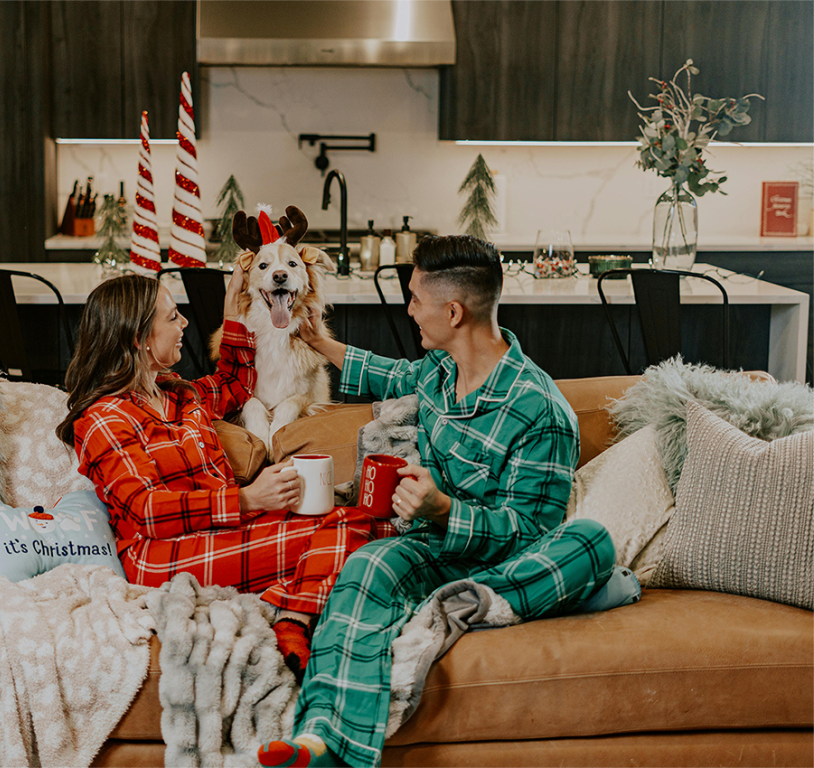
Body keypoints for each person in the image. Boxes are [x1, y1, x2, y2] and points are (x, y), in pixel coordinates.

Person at [258, 235, 616, 768]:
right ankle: (325, 740)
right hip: (432, 547)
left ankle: (458, 603)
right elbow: (391, 373)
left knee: (591, 542)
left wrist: (445, 509)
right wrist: (317, 340)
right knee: (367, 565)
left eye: (415, 299)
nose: (408, 310)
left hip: (503, 555)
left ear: (453, 312)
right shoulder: (439, 374)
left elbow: (531, 534)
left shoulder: (540, 409)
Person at [57, 270, 395, 677]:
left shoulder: (181, 397)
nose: (184, 324)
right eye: (172, 317)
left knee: (372, 525)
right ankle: (294, 619)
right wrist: (249, 498)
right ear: (138, 339)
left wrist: (232, 309)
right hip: (160, 556)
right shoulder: (105, 417)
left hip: (222, 533)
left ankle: (291, 603)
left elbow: (236, 381)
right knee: (354, 531)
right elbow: (146, 510)